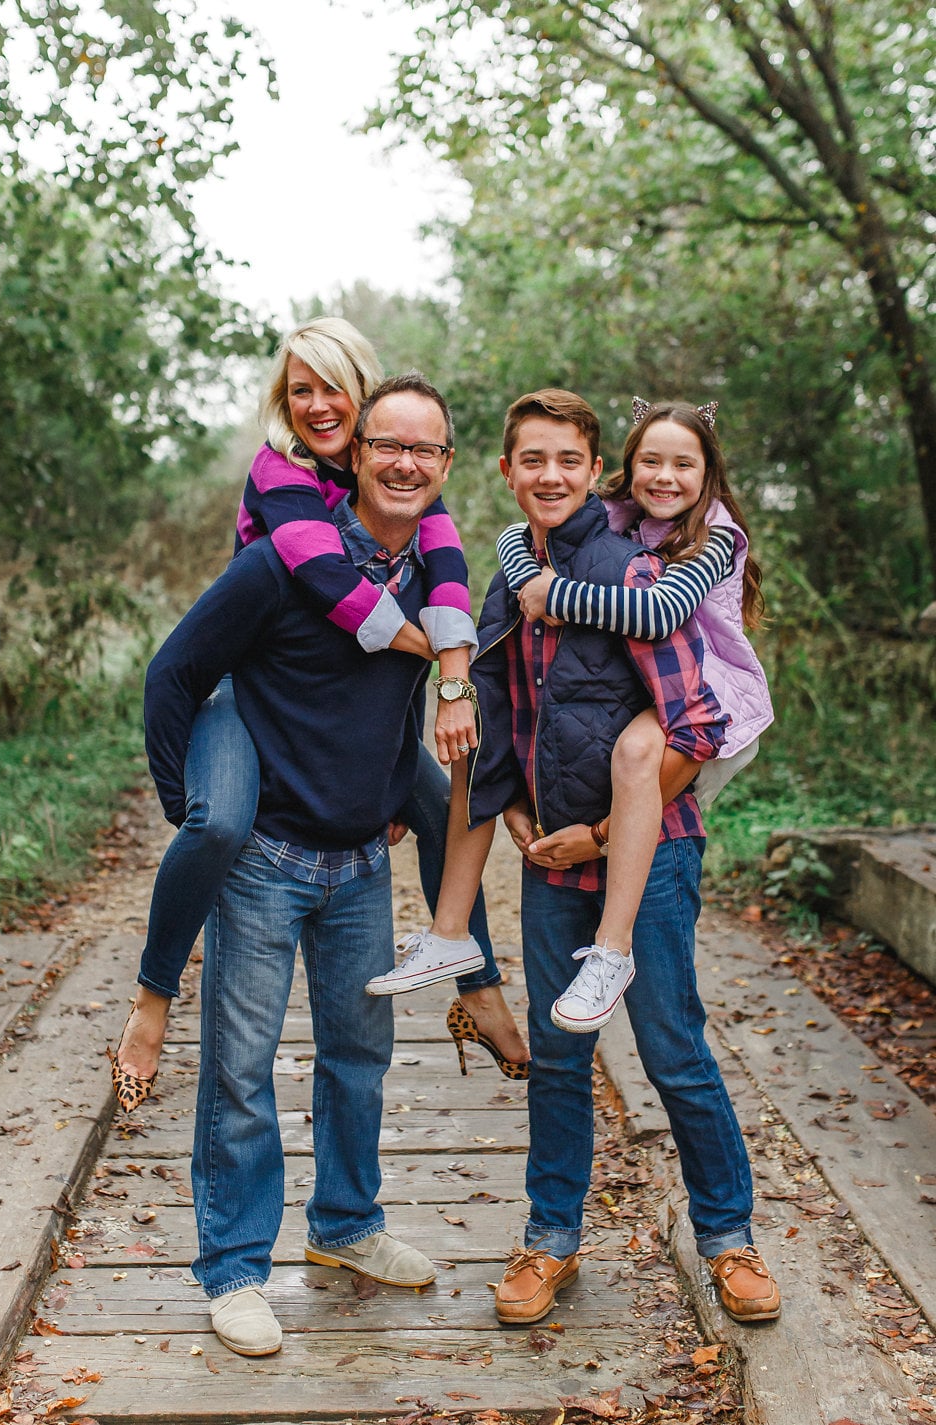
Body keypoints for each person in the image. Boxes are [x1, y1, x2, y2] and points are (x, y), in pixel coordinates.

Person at [110, 320, 528, 1115]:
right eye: (299, 389)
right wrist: (180, 798)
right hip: (247, 689)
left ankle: (477, 987)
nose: (315, 405)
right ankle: (154, 996)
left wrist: (445, 677)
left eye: (332, 387)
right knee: (219, 824)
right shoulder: (285, 476)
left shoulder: (405, 482)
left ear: (366, 400)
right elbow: (334, 588)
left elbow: (445, 568)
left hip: (361, 720)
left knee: (445, 809)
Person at [142, 373, 466, 1355]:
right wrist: (190, 809)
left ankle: (346, 1228)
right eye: (388, 446)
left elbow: (397, 704)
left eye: (426, 449)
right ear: (356, 455)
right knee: (240, 1072)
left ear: (445, 469)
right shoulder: (281, 566)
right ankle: (236, 1269)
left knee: (359, 1059)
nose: (405, 463)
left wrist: (389, 796)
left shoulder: (436, 587)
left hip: (361, 864)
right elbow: (175, 674)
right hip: (264, 863)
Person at [464, 388, 780, 1327]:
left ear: (592, 469)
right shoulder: (515, 570)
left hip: (654, 856)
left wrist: (601, 833)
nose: (551, 476)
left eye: (568, 460)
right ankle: (549, 1240)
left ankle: (729, 1239)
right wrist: (518, 811)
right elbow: (501, 707)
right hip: (549, 857)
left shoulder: (644, 579)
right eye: (533, 461)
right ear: (510, 470)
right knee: (561, 1054)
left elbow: (691, 727)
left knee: (674, 1047)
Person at [381, 397, 772, 1045]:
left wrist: (554, 594)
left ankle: (613, 947)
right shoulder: (592, 531)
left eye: (684, 463)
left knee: (674, 1054)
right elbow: (520, 547)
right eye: (650, 460)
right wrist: (522, 566)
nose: (665, 476)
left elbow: (662, 618)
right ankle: (449, 932)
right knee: (473, 744)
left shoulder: (701, 541)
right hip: (558, 850)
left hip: (725, 702)